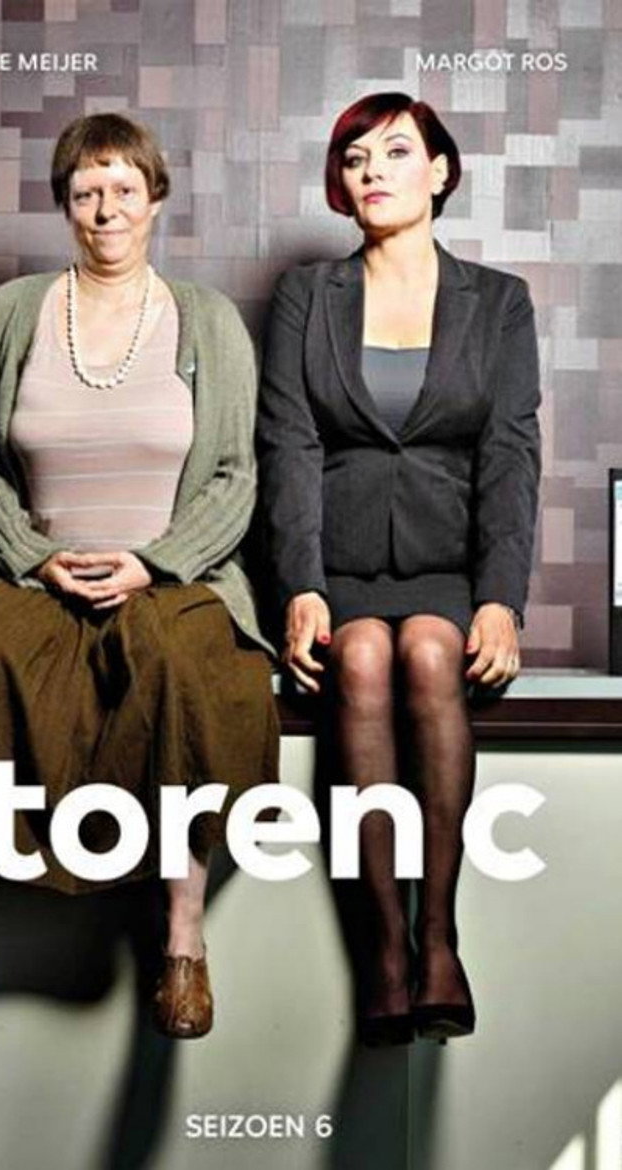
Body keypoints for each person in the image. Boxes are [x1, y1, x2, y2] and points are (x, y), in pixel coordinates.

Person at [0, 112, 279, 1040]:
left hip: (173, 577)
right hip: (30, 570)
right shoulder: (16, 312)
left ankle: (182, 936)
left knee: (177, 665)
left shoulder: (207, 319)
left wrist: (154, 562)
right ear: (65, 206)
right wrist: (33, 556)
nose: (106, 209)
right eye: (87, 192)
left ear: (156, 199)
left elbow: (234, 476)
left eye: (125, 188)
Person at [256, 92, 540, 1045]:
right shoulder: (307, 295)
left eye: (395, 152)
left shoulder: (498, 301)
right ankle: (383, 948)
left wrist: (500, 601)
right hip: (335, 567)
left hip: (446, 570)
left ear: (441, 171)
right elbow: (288, 445)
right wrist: (300, 585)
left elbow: (510, 454)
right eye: (355, 158)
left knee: (425, 652)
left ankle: (439, 936)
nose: (372, 171)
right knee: (365, 659)